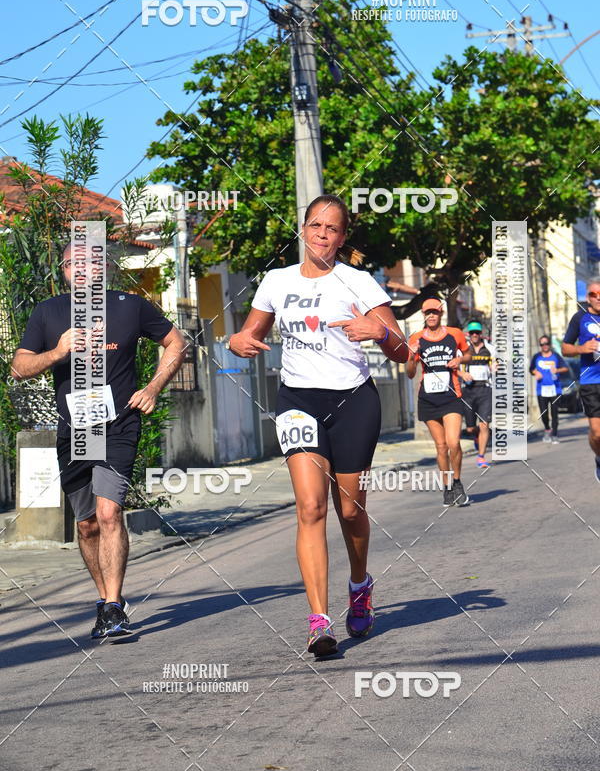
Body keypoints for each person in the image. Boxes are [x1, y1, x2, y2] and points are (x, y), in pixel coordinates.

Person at [228, 194, 408, 657]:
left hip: (353, 401)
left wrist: (380, 332)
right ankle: (319, 622)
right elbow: (251, 334)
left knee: (349, 510)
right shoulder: (277, 280)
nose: (322, 234)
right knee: (310, 507)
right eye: (315, 225)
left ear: (342, 237)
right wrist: (238, 341)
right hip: (297, 401)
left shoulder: (358, 282)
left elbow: (405, 351)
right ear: (303, 229)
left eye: (332, 228)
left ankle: (360, 583)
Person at [11, 243, 186, 637]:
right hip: (74, 429)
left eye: (91, 262)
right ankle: (107, 600)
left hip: (119, 424)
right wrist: (58, 350)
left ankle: (112, 605)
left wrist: (154, 387)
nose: (82, 270)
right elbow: (19, 367)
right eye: (74, 263)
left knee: (109, 514)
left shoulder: (130, 306)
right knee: (87, 525)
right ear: (64, 271)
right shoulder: (48, 312)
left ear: (105, 267)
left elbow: (177, 343)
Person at [406, 300, 471, 506]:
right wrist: (410, 355)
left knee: (453, 443)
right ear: (424, 315)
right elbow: (409, 374)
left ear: (441, 313)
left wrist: (459, 361)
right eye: (428, 313)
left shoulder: (455, 334)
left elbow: (468, 353)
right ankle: (447, 487)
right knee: (441, 447)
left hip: (451, 396)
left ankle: (458, 481)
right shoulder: (415, 338)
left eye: (435, 312)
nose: (431, 316)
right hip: (428, 399)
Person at [562, 276, 600, 479]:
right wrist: (581, 348)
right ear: (588, 297)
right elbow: (565, 348)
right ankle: (599, 459)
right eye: (594, 294)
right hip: (591, 382)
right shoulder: (580, 318)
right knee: (597, 433)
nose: (598, 298)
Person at [458, 321, 496, 468]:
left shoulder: (490, 349)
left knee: (484, 425)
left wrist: (495, 367)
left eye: (477, 333)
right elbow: (456, 367)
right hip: (468, 391)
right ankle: (475, 437)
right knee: (470, 428)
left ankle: (481, 457)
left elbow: (495, 364)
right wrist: (463, 374)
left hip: (485, 389)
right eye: (472, 333)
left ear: (481, 334)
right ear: (469, 334)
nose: (475, 335)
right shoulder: (463, 350)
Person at [530, 335, 569, 444]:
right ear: (540, 345)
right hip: (541, 390)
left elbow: (565, 368)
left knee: (555, 413)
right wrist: (536, 373)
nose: (545, 346)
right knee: (544, 413)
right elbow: (531, 369)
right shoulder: (536, 357)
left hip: (555, 389)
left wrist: (557, 370)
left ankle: (555, 435)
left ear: (549, 344)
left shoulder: (556, 356)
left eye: (546, 343)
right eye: (542, 344)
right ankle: (547, 428)